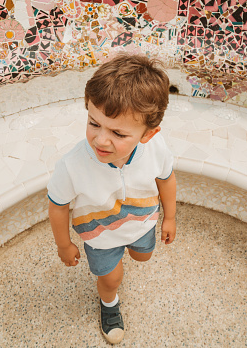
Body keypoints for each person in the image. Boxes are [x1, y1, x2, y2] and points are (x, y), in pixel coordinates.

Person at [48, 53, 176, 344]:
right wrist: (64, 244)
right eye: (94, 123)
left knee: (141, 256)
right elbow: (58, 206)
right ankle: (109, 305)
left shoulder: (156, 147)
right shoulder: (72, 165)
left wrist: (170, 216)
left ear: (148, 134)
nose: (101, 140)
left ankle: (130, 251)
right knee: (111, 279)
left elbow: (166, 178)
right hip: (100, 235)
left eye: (117, 133)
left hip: (142, 223)